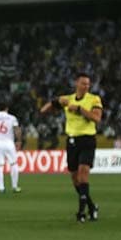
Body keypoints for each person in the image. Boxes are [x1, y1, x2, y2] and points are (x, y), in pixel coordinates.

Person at [39, 73, 103, 223]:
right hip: (72, 141)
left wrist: (80, 109)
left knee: (83, 174)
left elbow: (97, 118)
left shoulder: (94, 99)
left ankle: (81, 212)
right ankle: (92, 207)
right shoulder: (68, 99)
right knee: (75, 178)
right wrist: (49, 106)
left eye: (88, 84)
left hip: (87, 139)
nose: (86, 86)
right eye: (83, 83)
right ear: (76, 84)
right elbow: (49, 106)